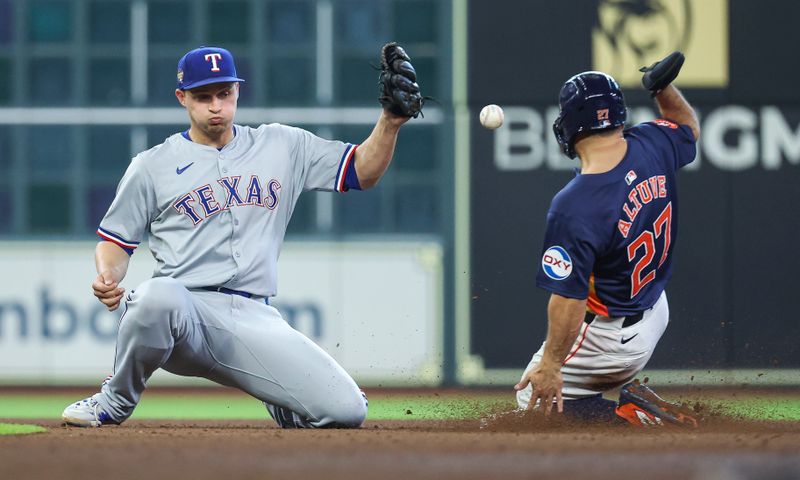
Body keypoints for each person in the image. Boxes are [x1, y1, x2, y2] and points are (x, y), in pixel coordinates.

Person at [62, 44, 423, 428]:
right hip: (185, 314)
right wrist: (108, 275)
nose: (216, 105)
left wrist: (390, 121)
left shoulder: (283, 145)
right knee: (155, 297)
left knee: (346, 411)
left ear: (237, 91)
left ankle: (287, 404)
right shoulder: (152, 166)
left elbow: (361, 171)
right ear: (182, 99)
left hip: (253, 317)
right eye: (203, 97)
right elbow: (116, 241)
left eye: (224, 93)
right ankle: (113, 400)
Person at [513, 52, 701, 426]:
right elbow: (689, 128)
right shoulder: (653, 141)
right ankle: (626, 398)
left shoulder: (575, 204)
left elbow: (568, 297)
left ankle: (637, 415)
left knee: (531, 398)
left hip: (610, 340)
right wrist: (662, 89)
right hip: (655, 309)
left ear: (571, 124)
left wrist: (551, 364)